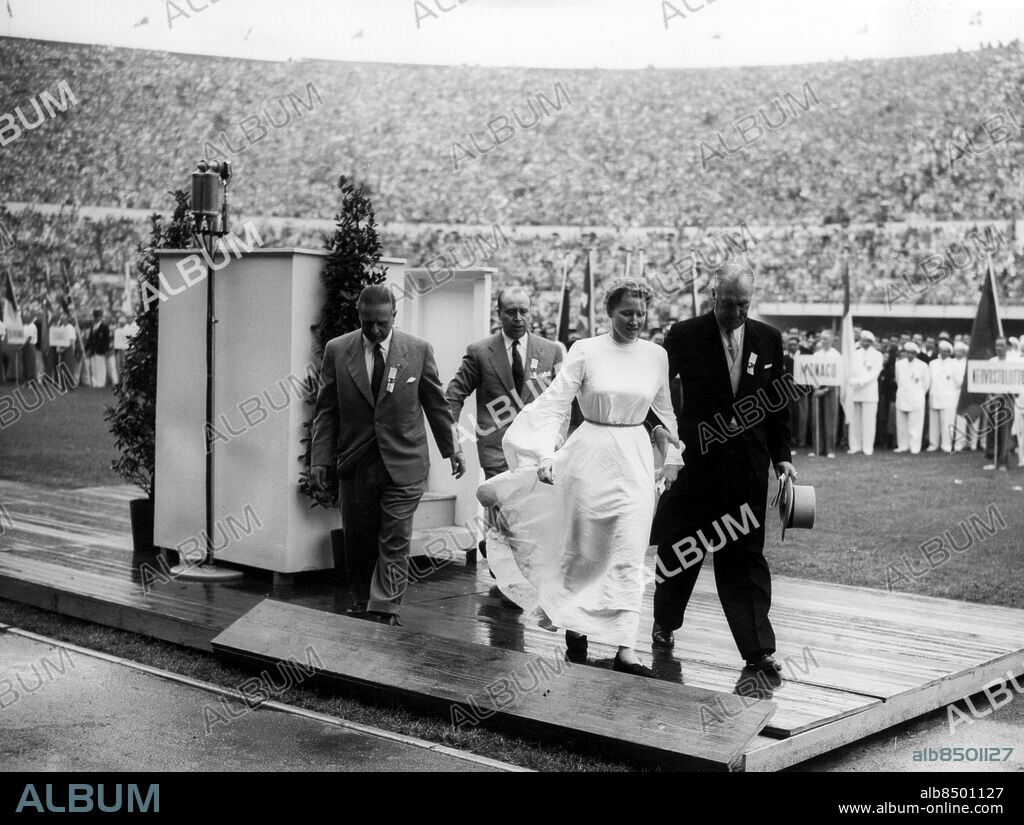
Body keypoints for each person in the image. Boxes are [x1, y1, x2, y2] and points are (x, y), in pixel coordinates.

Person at [478, 278, 682, 677]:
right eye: (627, 313)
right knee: (585, 550)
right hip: (590, 456)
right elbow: (556, 402)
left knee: (629, 550)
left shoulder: (657, 355)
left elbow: (667, 412)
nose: (635, 321)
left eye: (641, 313)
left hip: (635, 459)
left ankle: (626, 647)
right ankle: (577, 632)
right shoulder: (585, 350)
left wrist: (672, 454)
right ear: (610, 312)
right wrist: (545, 453)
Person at [650, 263, 796, 673]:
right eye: (728, 304)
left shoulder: (769, 339)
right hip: (695, 463)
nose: (736, 313)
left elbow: (778, 402)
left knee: (746, 557)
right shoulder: (684, 335)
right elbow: (658, 392)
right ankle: (665, 622)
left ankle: (758, 649)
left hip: (748, 467)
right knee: (681, 548)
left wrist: (782, 456)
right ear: (713, 298)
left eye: (743, 305)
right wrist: (667, 437)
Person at [311, 284, 467, 625]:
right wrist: (320, 460)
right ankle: (362, 600)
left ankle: (384, 609)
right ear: (359, 317)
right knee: (359, 539)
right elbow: (326, 410)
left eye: (382, 322)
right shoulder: (338, 350)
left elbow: (435, 403)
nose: (375, 330)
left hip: (405, 461)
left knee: (394, 537)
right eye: (368, 323)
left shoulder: (418, 350)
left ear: (394, 315)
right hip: (357, 463)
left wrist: (451, 447)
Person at [445, 286, 562, 567]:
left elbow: (562, 400)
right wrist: (453, 443)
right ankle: (504, 569)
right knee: (507, 514)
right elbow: (453, 396)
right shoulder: (480, 352)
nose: (518, 318)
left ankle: (518, 568)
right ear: (499, 314)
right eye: (511, 312)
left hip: (539, 449)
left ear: (531, 312)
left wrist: (559, 439)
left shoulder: (550, 351)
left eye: (524, 311)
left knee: (533, 516)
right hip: (497, 449)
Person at [846, 330, 883, 455]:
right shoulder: (855, 354)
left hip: (869, 392)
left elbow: (874, 374)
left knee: (868, 421)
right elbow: (850, 371)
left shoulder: (878, 355)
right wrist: (852, 381)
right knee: (855, 421)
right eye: (863, 340)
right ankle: (855, 446)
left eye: (868, 341)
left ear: (872, 342)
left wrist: (859, 382)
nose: (865, 343)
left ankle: (867, 447)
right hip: (856, 391)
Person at [809, 329, 842, 458]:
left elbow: (838, 375)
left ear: (832, 340)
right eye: (821, 338)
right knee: (817, 419)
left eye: (826, 339)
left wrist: (826, 389)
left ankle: (829, 449)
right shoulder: (816, 355)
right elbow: (811, 373)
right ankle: (818, 448)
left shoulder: (836, 355)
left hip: (830, 390)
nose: (823, 341)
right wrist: (815, 388)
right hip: (817, 389)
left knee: (830, 419)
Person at [984, 337, 1013, 471]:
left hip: (1006, 400)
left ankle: (1003, 461)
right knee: (991, 430)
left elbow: (1016, 384)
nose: (999, 348)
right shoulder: (991, 362)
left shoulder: (1012, 363)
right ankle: (992, 459)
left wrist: (1005, 395)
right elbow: (985, 381)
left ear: (1007, 347)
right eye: (997, 345)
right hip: (993, 399)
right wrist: (990, 395)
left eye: (1002, 345)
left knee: (1004, 431)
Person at [894, 342, 930, 454]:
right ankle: (903, 445)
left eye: (912, 353)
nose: (910, 355)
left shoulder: (923, 365)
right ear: (905, 353)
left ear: (916, 354)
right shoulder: (899, 364)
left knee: (916, 424)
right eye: (908, 352)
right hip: (903, 396)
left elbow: (926, 383)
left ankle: (915, 446)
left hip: (916, 397)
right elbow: (898, 380)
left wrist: (918, 394)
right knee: (901, 424)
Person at [926, 341, 957, 452]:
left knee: (947, 423)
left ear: (949, 352)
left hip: (948, 397)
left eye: (946, 351)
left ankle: (946, 445)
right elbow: (929, 380)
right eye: (941, 350)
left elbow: (957, 382)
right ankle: (933, 444)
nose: (943, 353)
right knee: (933, 424)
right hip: (935, 396)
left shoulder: (954, 363)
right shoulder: (932, 363)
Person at [951, 340, 977, 452]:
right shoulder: (951, 362)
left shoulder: (969, 362)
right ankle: (959, 443)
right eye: (957, 351)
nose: (959, 353)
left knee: (972, 418)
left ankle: (973, 444)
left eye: (961, 351)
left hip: (969, 393)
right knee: (960, 419)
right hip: (955, 393)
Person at [85, 308, 110, 388]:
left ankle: (101, 383)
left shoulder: (104, 327)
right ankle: (94, 382)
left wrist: (106, 350)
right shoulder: (92, 326)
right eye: (95, 317)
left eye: (98, 316)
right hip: (93, 350)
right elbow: (90, 339)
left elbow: (107, 340)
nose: (96, 318)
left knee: (101, 367)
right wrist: (86, 349)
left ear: (101, 317)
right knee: (93, 368)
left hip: (101, 350)